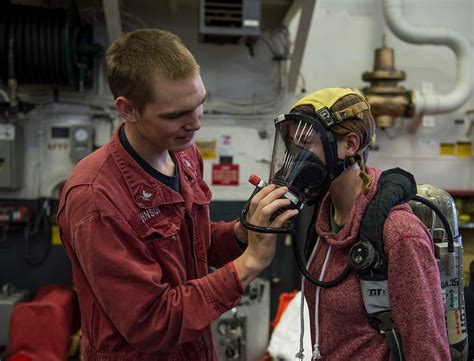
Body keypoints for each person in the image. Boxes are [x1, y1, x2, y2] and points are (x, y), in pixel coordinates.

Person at [57, 28, 298, 361]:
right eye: (175, 115)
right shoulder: (96, 199)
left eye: (199, 105)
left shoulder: (184, 154)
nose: (195, 124)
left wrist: (243, 234)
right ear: (128, 110)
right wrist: (250, 263)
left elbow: (194, 244)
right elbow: (152, 322)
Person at [267, 88, 450, 360]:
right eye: (292, 144)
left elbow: (428, 350)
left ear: (350, 145)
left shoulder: (399, 233)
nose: (295, 157)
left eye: (305, 145)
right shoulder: (322, 220)